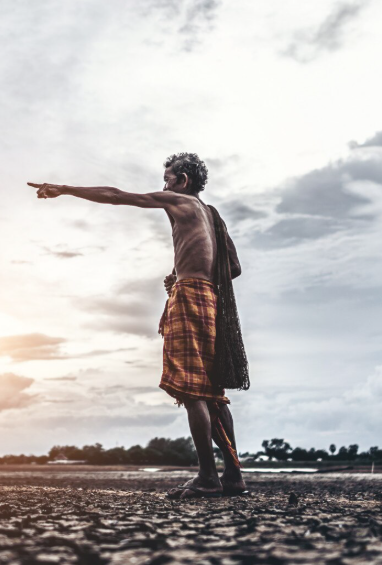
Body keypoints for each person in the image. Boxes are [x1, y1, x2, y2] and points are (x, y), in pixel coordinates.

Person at [28, 153, 249, 499]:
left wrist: (64, 189)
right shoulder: (213, 215)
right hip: (211, 301)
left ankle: (208, 477)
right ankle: (234, 477)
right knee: (213, 392)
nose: (164, 185)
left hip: (190, 297)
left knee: (192, 391)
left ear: (182, 181)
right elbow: (233, 267)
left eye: (167, 178)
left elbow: (117, 196)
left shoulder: (177, 201)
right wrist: (186, 270)